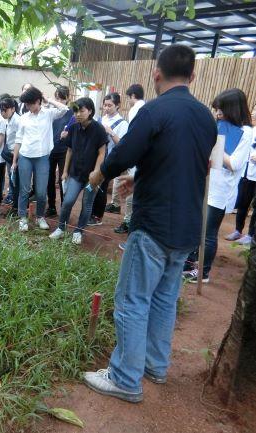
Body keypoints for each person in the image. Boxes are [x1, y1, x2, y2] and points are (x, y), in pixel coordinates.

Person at [83, 44, 217, 403]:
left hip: (155, 225)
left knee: (132, 300)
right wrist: (139, 181)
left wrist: (98, 176)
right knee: (164, 299)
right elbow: (180, 162)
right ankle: (155, 366)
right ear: (193, 76)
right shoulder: (206, 116)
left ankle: (126, 378)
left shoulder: (154, 110)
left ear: (156, 74)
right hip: (188, 228)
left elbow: (124, 154)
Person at [183, 89, 253, 283]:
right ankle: (190, 262)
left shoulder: (246, 132)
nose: (217, 114)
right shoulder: (220, 126)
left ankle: (203, 272)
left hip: (221, 190)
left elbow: (235, 163)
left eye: (221, 110)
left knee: (208, 232)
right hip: (205, 183)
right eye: (216, 110)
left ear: (233, 109)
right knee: (196, 226)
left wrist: (215, 143)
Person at [48, 98, 107, 245]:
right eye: (76, 111)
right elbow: (69, 150)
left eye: (82, 110)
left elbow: (102, 153)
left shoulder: (99, 129)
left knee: (87, 205)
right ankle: (61, 228)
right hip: (75, 173)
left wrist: (96, 173)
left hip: (92, 176)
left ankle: (78, 231)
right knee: (67, 202)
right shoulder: (73, 128)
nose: (78, 114)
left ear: (90, 111)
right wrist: (65, 171)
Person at [12, 86, 69, 232]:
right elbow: (18, 139)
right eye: (26, 104)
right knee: (24, 189)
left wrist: (47, 99)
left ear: (38, 101)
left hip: (43, 158)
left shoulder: (49, 114)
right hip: (25, 157)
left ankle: (40, 217)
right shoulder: (24, 118)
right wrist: (14, 161)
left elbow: (65, 109)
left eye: (30, 103)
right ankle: (23, 218)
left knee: (41, 191)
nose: (28, 107)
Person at [108, 83, 145, 235]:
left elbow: (133, 136)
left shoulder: (135, 109)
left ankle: (129, 224)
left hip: (138, 158)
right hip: (144, 159)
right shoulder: (147, 107)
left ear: (132, 96)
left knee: (131, 195)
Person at [90, 93, 129, 225]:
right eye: (105, 105)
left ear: (117, 106)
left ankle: (97, 216)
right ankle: (90, 212)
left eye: (109, 105)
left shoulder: (122, 123)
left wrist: (111, 132)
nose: (106, 108)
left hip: (110, 159)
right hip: (97, 157)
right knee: (92, 185)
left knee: (102, 187)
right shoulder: (101, 119)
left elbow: (123, 145)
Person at [225, 103, 256, 245]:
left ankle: (251, 235)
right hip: (246, 173)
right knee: (243, 203)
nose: (254, 113)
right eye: (254, 109)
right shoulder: (249, 130)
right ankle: (238, 230)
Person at [46, 86, 75, 217]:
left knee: (63, 180)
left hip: (65, 151)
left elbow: (76, 132)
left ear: (68, 98)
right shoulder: (50, 112)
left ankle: (65, 208)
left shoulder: (72, 112)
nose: (60, 100)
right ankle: (51, 206)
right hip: (51, 150)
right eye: (57, 98)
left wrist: (68, 135)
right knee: (49, 179)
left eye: (62, 98)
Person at [0, 97, 21, 215]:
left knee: (16, 181)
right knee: (12, 179)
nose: (2, 113)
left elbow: (20, 140)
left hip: (16, 155)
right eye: (1, 110)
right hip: (9, 154)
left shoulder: (18, 121)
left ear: (12, 109)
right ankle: (15, 204)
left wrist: (15, 159)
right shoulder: (8, 120)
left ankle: (18, 207)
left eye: (5, 110)